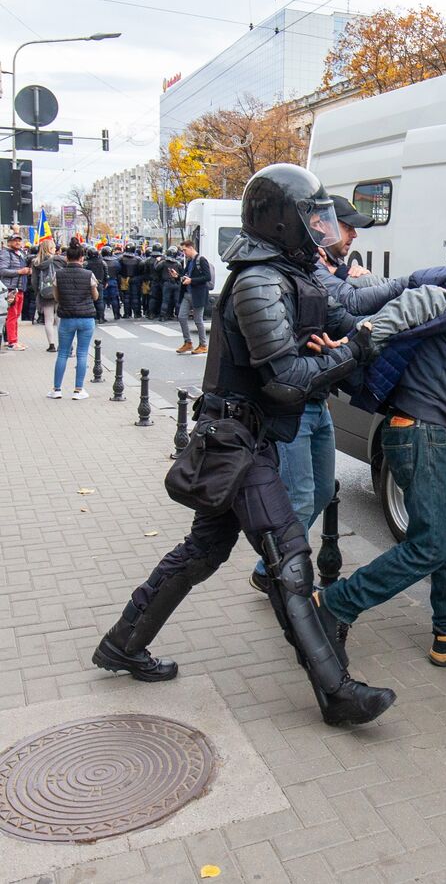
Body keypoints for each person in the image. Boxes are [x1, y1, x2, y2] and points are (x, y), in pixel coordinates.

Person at [91, 164, 395, 728]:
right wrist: (354, 351)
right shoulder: (259, 279)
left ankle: (122, 644)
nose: (321, 230)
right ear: (282, 222)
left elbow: (299, 351)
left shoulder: (277, 273)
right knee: (289, 556)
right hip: (237, 442)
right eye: (311, 218)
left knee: (203, 552)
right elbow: (285, 380)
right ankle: (336, 690)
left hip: (239, 438)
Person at [317, 254, 446, 666]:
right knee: (429, 546)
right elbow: (413, 303)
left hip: (431, 434)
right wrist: (359, 340)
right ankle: (334, 604)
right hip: (419, 433)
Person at [248, 195, 408, 595]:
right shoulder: (286, 273)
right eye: (344, 226)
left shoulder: (314, 270)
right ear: (317, 226)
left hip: (318, 400)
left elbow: (345, 316)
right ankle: (284, 579)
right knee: (299, 497)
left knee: (320, 491)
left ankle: (268, 568)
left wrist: (378, 326)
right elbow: (349, 305)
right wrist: (404, 287)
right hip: (292, 405)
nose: (350, 234)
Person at [50, 245, 99, 399]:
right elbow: (95, 296)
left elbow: (56, 297)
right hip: (86, 318)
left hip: (66, 318)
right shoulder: (89, 274)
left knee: (63, 353)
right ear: (82, 258)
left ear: (66, 258)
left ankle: (57, 389)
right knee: (83, 353)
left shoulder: (58, 275)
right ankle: (78, 390)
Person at [175, 240, 212, 354]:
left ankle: (203, 345)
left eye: (185, 250)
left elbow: (207, 277)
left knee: (198, 320)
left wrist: (192, 280)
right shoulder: (190, 261)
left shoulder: (201, 260)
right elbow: (186, 277)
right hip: (187, 294)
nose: (184, 253)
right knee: (181, 317)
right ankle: (188, 342)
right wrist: (177, 276)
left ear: (191, 248)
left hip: (198, 294)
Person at [0, 233, 31, 349]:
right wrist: (19, 272)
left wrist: (27, 271)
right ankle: (12, 342)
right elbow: (2, 271)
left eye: (19, 240)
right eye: (15, 240)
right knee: (12, 316)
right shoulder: (5, 253)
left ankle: (14, 340)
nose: (18, 242)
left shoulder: (20, 254)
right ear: (9, 242)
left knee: (16, 315)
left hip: (19, 288)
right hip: (10, 289)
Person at [33, 238, 60, 352]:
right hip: (58, 292)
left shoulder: (36, 262)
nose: (55, 249)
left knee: (48, 320)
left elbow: (34, 280)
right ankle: (62, 344)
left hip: (44, 293)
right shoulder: (58, 260)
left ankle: (51, 345)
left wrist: (37, 292)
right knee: (59, 319)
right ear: (50, 249)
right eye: (53, 247)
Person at [85, 248, 109, 324]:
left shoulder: (86, 263)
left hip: (89, 284)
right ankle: (101, 317)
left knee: (90, 301)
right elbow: (106, 273)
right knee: (100, 301)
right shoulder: (102, 262)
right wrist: (105, 282)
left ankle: (93, 317)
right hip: (99, 283)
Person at [159, 250, 182, 322]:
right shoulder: (178, 263)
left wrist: (158, 261)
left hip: (167, 283)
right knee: (177, 301)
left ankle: (163, 316)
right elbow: (181, 272)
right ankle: (179, 316)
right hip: (176, 283)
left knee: (165, 300)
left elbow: (156, 268)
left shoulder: (163, 262)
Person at [119, 244, 142, 319]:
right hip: (135, 279)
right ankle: (137, 313)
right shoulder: (138, 259)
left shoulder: (121, 258)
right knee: (135, 296)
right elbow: (142, 269)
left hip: (124, 279)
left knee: (126, 297)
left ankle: (127, 314)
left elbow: (118, 269)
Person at [100, 247, 122, 321]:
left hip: (103, 282)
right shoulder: (116, 261)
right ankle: (116, 315)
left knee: (103, 299)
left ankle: (101, 316)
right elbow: (119, 270)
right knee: (115, 298)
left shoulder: (100, 261)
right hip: (113, 280)